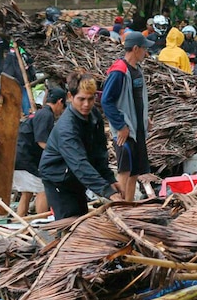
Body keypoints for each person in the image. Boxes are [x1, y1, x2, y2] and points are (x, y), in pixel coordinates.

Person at [40, 72, 120, 218]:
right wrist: (107, 191)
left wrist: (110, 179)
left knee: (81, 217)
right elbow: (79, 163)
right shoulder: (67, 128)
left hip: (75, 177)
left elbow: (99, 152)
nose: (86, 104)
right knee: (69, 221)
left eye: (90, 99)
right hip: (58, 178)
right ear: (70, 97)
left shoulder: (93, 115)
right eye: (81, 99)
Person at [102, 32, 152, 202]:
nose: (146, 52)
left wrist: (145, 119)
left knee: (135, 171)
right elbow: (106, 101)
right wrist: (120, 126)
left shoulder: (137, 70)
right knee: (125, 170)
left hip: (137, 129)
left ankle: (129, 206)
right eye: (144, 48)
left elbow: (138, 99)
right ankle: (121, 208)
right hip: (125, 131)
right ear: (136, 49)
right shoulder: (119, 71)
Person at [13, 87, 66, 217]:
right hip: (25, 159)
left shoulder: (40, 113)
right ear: (60, 101)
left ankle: (21, 222)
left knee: (27, 192)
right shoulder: (46, 114)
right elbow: (42, 141)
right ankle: (42, 222)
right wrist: (59, 154)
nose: (62, 111)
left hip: (17, 158)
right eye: (63, 106)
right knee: (43, 188)